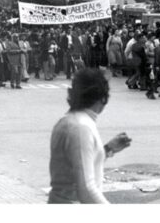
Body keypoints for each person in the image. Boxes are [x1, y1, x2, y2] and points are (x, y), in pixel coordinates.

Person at [48, 68, 132, 204]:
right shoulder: (81, 127)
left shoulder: (69, 121)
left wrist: (108, 149)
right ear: (102, 97)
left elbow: (78, 165)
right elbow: (86, 190)